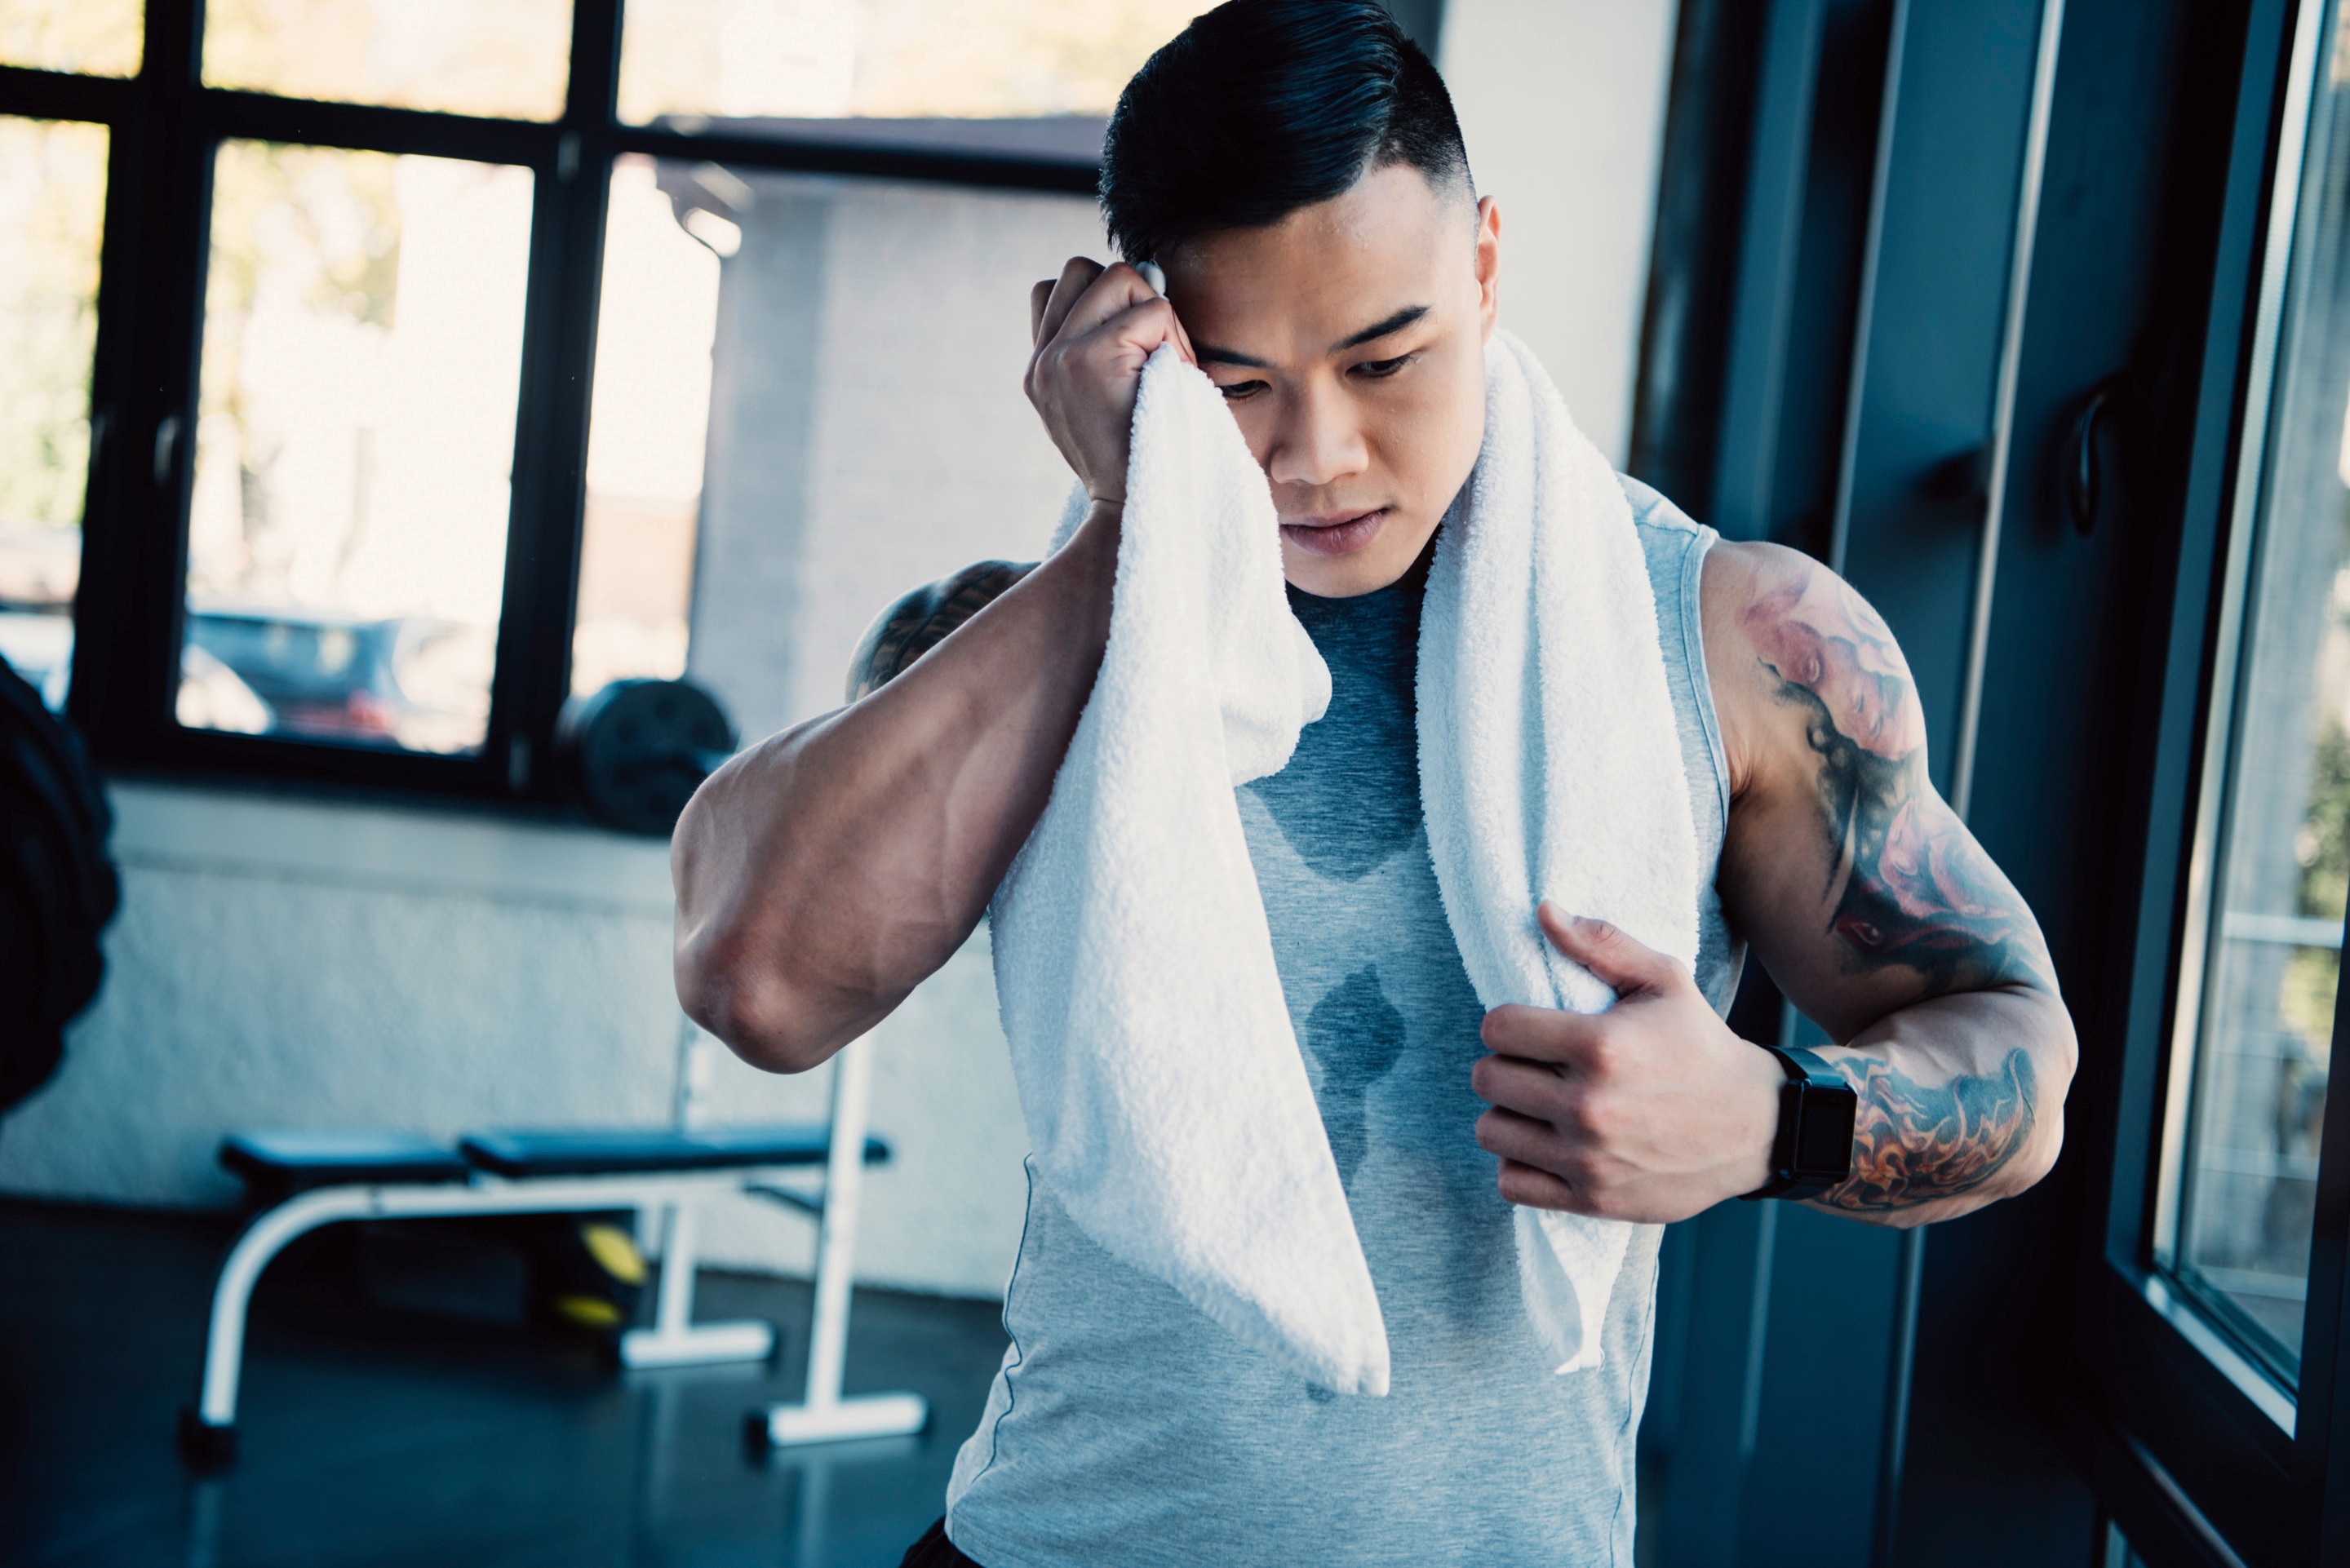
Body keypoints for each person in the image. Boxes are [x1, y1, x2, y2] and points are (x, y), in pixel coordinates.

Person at [670, 2, 2077, 1561]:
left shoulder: (1735, 638)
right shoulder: (1035, 638)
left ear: (1482, 264)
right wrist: (1126, 524)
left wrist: (1774, 1119)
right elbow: (759, 980)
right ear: (1130, 348)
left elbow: (2021, 1056)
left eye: (1384, 356)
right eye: (1237, 380)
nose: (1318, 453)